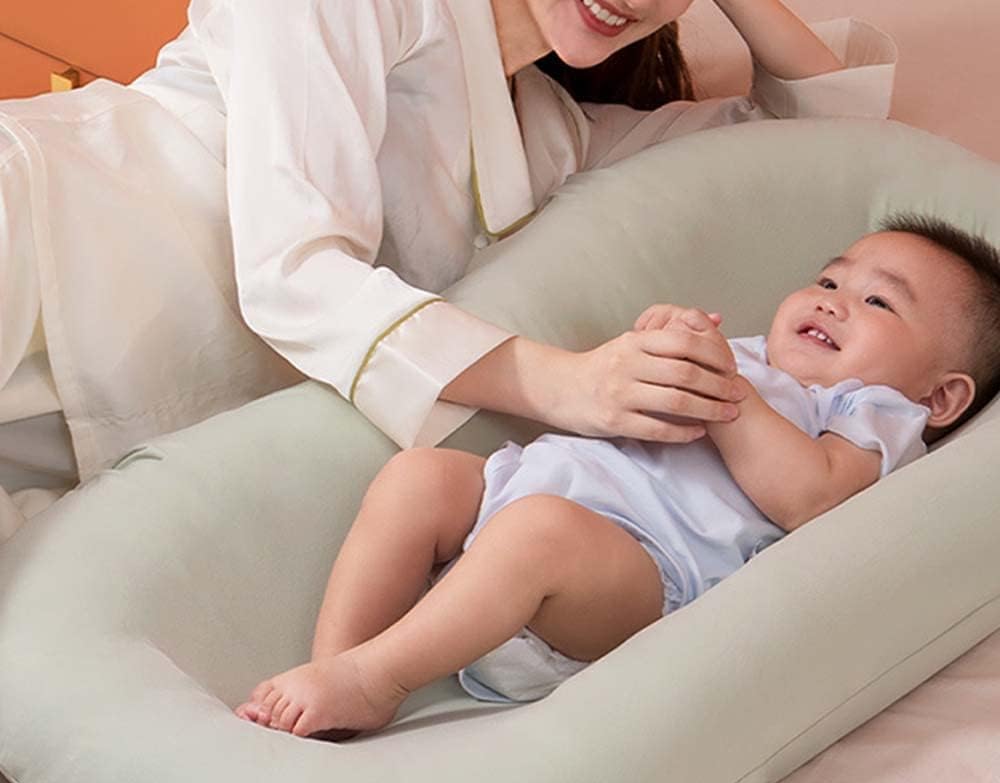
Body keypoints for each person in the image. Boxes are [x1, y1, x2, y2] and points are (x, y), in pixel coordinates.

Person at [0, 1, 897, 542]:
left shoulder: (554, 136)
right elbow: (294, 273)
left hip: (101, 412)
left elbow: (830, 145)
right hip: (41, 236)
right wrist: (566, 382)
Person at [235, 215, 1000, 738]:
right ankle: (336, 667)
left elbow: (812, 496)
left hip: (636, 578)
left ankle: (376, 681)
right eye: (829, 282)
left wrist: (724, 388)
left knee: (538, 535)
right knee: (417, 476)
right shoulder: (751, 357)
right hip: (530, 494)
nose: (832, 305)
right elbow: (623, 404)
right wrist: (664, 346)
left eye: (877, 302)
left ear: (940, 397)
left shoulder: (872, 413)